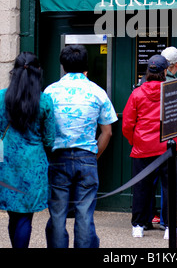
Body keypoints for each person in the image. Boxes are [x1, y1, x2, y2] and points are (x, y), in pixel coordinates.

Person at [44, 44, 118, 248]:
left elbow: (44, 128)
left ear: (63, 65)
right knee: (84, 214)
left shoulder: (50, 91)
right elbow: (107, 131)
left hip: (58, 158)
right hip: (87, 157)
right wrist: (94, 156)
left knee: (58, 213)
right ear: (86, 65)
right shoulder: (97, 91)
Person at [122, 54, 177, 240]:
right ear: (165, 71)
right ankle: (171, 227)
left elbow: (127, 124)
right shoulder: (175, 90)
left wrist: (135, 141)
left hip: (143, 146)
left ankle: (138, 226)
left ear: (148, 71)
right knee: (171, 187)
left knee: (141, 187)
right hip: (171, 146)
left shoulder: (137, 93)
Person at [0, 52, 55, 248]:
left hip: (7, 163)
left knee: (12, 214)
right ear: (38, 72)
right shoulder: (45, 101)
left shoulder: (1, 98)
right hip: (34, 164)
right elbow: (50, 139)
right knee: (25, 217)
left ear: (13, 72)